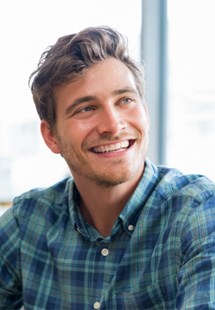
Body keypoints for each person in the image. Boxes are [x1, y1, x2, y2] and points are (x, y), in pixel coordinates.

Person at [0, 26, 215, 310]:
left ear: (145, 112)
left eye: (125, 100)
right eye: (86, 108)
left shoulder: (197, 213)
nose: (113, 125)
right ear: (51, 136)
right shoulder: (28, 222)